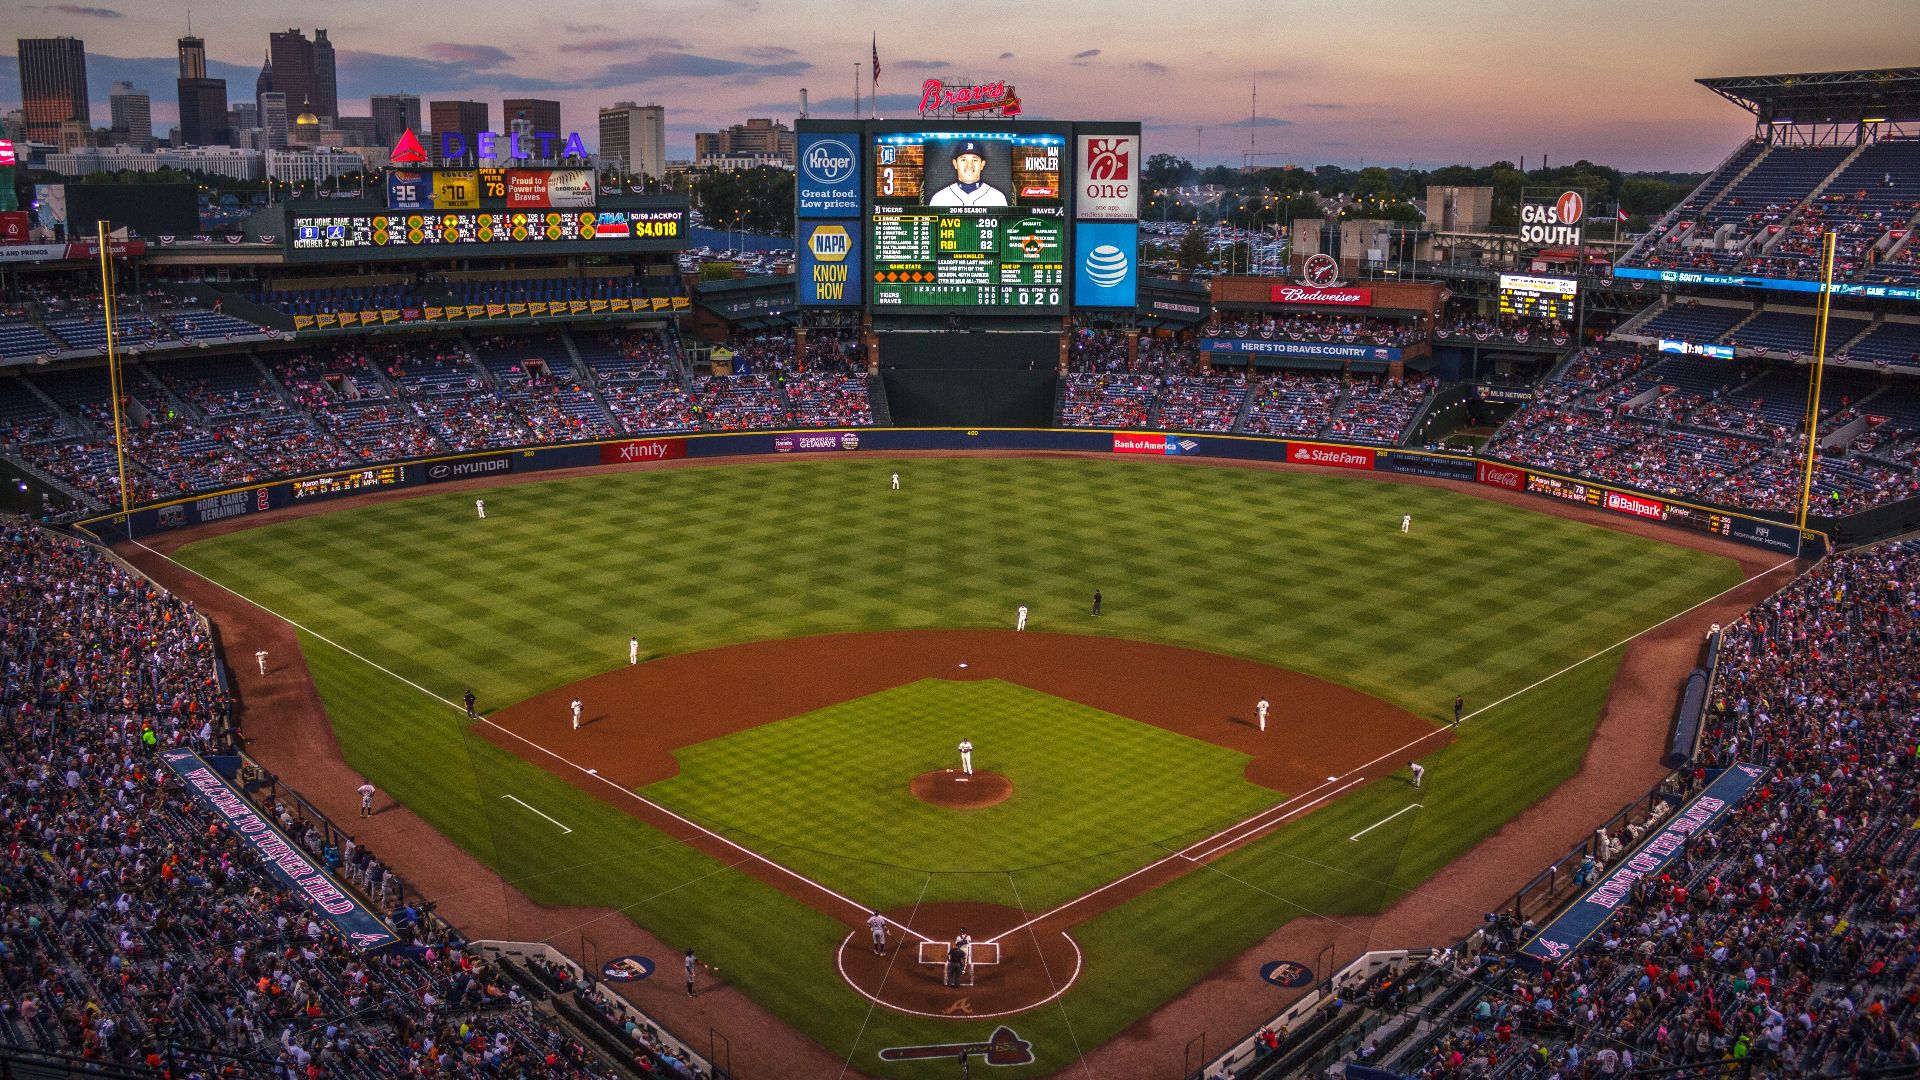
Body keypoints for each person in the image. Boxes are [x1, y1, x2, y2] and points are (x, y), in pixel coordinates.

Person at [926, 140, 1009, 207]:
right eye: (963, 160)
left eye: (975, 160)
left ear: (982, 164)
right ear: (955, 164)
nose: (969, 165)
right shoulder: (940, 198)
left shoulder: (997, 197)